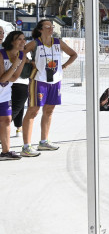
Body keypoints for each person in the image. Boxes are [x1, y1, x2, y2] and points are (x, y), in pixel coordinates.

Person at [21, 19, 78, 157]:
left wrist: (64, 66)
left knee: (49, 110)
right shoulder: (35, 43)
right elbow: (20, 53)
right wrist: (29, 61)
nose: (51, 28)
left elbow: (74, 54)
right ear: (40, 29)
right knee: (33, 111)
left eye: (52, 26)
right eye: (48, 26)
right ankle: (26, 146)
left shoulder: (58, 42)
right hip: (38, 80)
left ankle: (43, 141)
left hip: (55, 80)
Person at [1, 30, 27, 160]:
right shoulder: (1, 54)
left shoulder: (22, 55)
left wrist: (9, 73)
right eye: (19, 39)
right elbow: (2, 79)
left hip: (4, 93)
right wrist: (15, 64)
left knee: (6, 120)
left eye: (24, 39)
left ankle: (5, 152)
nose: (23, 42)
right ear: (12, 41)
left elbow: (14, 77)